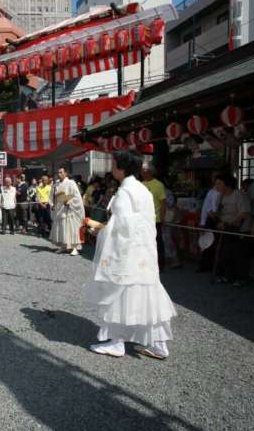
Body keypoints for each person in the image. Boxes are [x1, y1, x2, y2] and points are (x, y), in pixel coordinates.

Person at [85, 150, 177, 360]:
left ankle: (117, 341)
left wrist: (101, 229)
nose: (111, 167)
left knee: (118, 293)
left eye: (114, 164)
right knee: (146, 294)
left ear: (122, 168)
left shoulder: (125, 192)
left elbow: (123, 227)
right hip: (144, 251)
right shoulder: (142, 190)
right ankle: (159, 344)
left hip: (127, 252)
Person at [212, 173, 251, 286]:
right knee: (226, 253)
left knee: (239, 254)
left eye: (219, 184)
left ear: (227, 184)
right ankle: (228, 275)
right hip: (227, 228)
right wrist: (215, 216)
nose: (216, 186)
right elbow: (221, 211)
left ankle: (241, 278)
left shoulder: (238, 195)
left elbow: (243, 213)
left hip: (240, 229)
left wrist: (228, 224)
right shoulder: (221, 196)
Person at [50, 166, 85, 255]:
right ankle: (64, 246)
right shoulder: (56, 184)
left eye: (61, 172)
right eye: (58, 172)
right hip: (59, 209)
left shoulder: (71, 183)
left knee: (72, 228)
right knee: (62, 228)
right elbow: (52, 196)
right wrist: (52, 204)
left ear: (66, 173)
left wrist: (70, 201)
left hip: (70, 209)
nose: (59, 174)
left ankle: (75, 248)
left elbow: (76, 196)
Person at [141, 162, 167, 270]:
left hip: (155, 220)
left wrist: (162, 217)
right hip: (143, 220)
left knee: (157, 244)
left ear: (150, 172)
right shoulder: (141, 184)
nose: (143, 173)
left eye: (145, 171)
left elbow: (163, 203)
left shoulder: (159, 185)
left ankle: (160, 265)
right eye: (142, 171)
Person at [197, 172, 221, 273]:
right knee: (207, 243)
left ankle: (218, 268)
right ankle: (205, 265)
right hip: (210, 220)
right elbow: (205, 208)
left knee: (218, 245)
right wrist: (202, 222)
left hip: (220, 219)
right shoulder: (211, 192)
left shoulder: (223, 193)